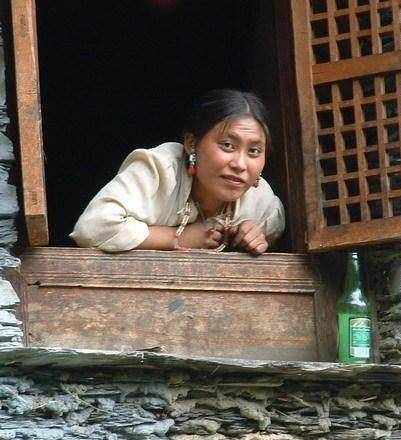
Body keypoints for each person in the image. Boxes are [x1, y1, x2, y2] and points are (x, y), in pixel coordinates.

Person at [70, 89, 285, 254]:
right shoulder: (159, 170)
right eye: (227, 145)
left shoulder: (261, 202)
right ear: (191, 144)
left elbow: (273, 228)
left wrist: (252, 236)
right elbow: (92, 227)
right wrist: (178, 237)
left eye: (254, 151)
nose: (240, 164)